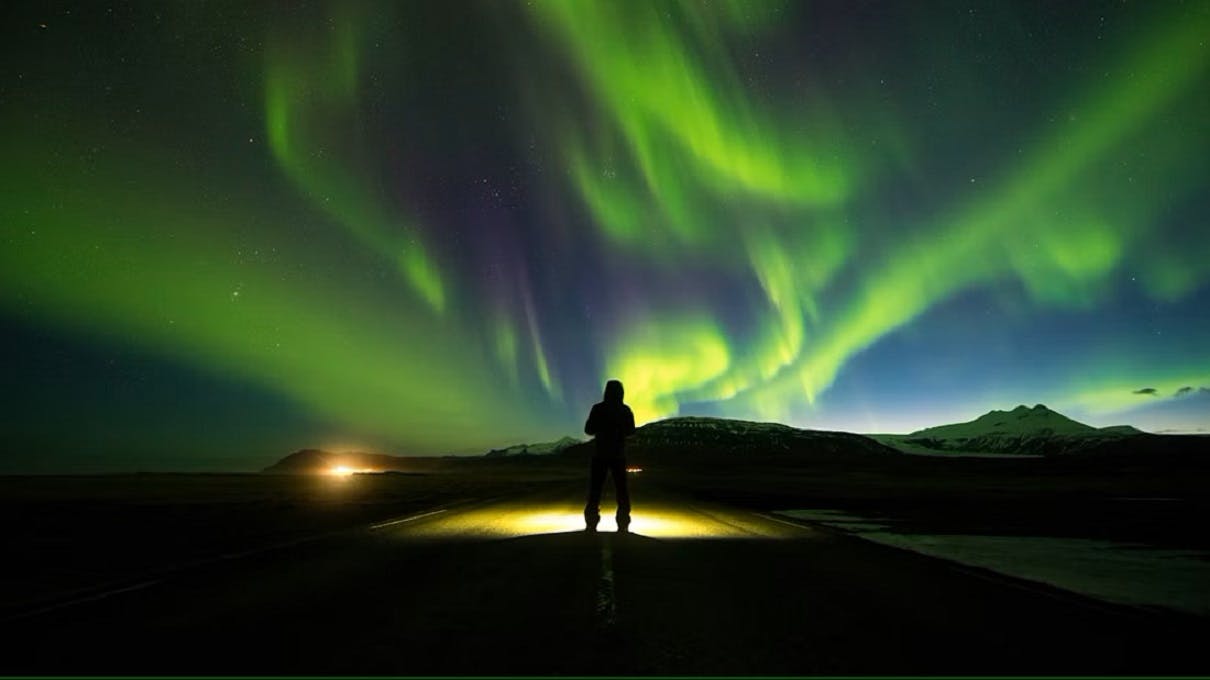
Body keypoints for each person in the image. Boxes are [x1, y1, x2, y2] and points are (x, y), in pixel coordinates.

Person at [583, 379, 636, 533]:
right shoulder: (625, 410)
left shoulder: (598, 409)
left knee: (595, 490)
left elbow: (588, 429)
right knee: (622, 490)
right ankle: (623, 524)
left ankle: (591, 524)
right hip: (618, 455)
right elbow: (631, 431)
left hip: (600, 454)